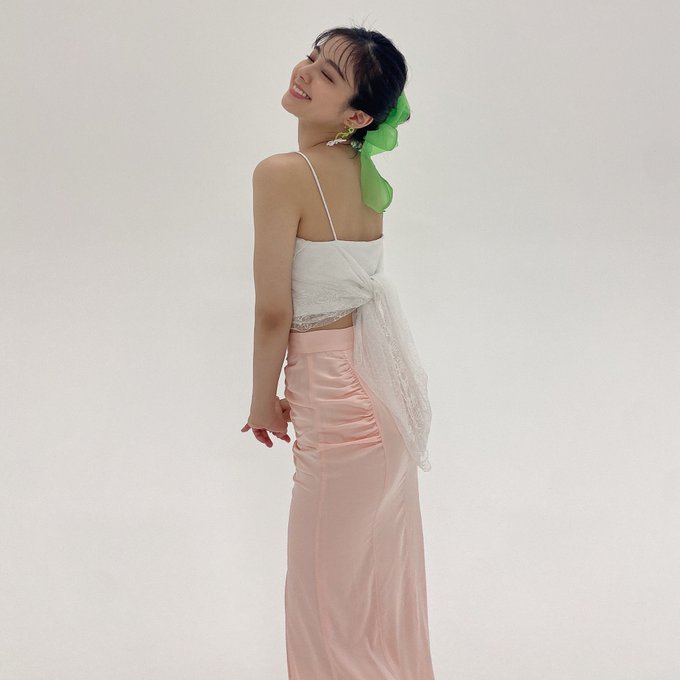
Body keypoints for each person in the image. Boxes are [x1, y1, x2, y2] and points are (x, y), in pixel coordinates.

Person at [241, 24, 436, 679]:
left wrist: (262, 401)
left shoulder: (282, 173)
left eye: (327, 75)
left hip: (337, 400)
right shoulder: (363, 175)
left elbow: (275, 311)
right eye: (313, 57)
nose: (305, 71)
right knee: (374, 603)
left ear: (356, 116)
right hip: (379, 391)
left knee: (326, 610)